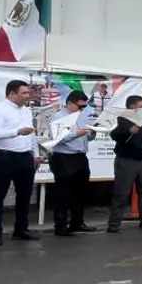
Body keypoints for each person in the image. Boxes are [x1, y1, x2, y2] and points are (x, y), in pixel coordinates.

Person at [0, 79, 39, 245]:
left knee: (25, 195)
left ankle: (21, 229)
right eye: (24, 93)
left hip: (25, 156)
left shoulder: (26, 111)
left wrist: (35, 153)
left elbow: (31, 134)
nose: (28, 96)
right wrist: (16, 131)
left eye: (28, 93)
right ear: (12, 94)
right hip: (5, 156)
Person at [47, 90, 97, 236]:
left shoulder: (81, 116)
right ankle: (61, 225)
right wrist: (77, 133)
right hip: (64, 157)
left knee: (80, 192)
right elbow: (57, 137)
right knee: (63, 193)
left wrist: (93, 131)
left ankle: (77, 222)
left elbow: (87, 137)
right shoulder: (58, 117)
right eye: (79, 106)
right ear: (69, 103)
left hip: (80, 156)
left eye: (84, 107)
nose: (82, 109)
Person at [107, 94, 142, 233]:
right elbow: (114, 135)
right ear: (132, 107)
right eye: (141, 106)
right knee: (121, 192)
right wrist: (128, 131)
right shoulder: (122, 120)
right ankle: (114, 222)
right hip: (126, 160)